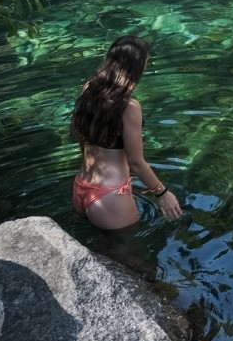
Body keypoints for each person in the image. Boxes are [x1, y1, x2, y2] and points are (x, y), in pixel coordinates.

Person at [71, 35, 182, 230]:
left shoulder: (89, 89)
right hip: (110, 197)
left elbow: (82, 139)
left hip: (82, 184)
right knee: (129, 258)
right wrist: (163, 194)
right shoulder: (129, 107)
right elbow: (136, 163)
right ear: (139, 66)